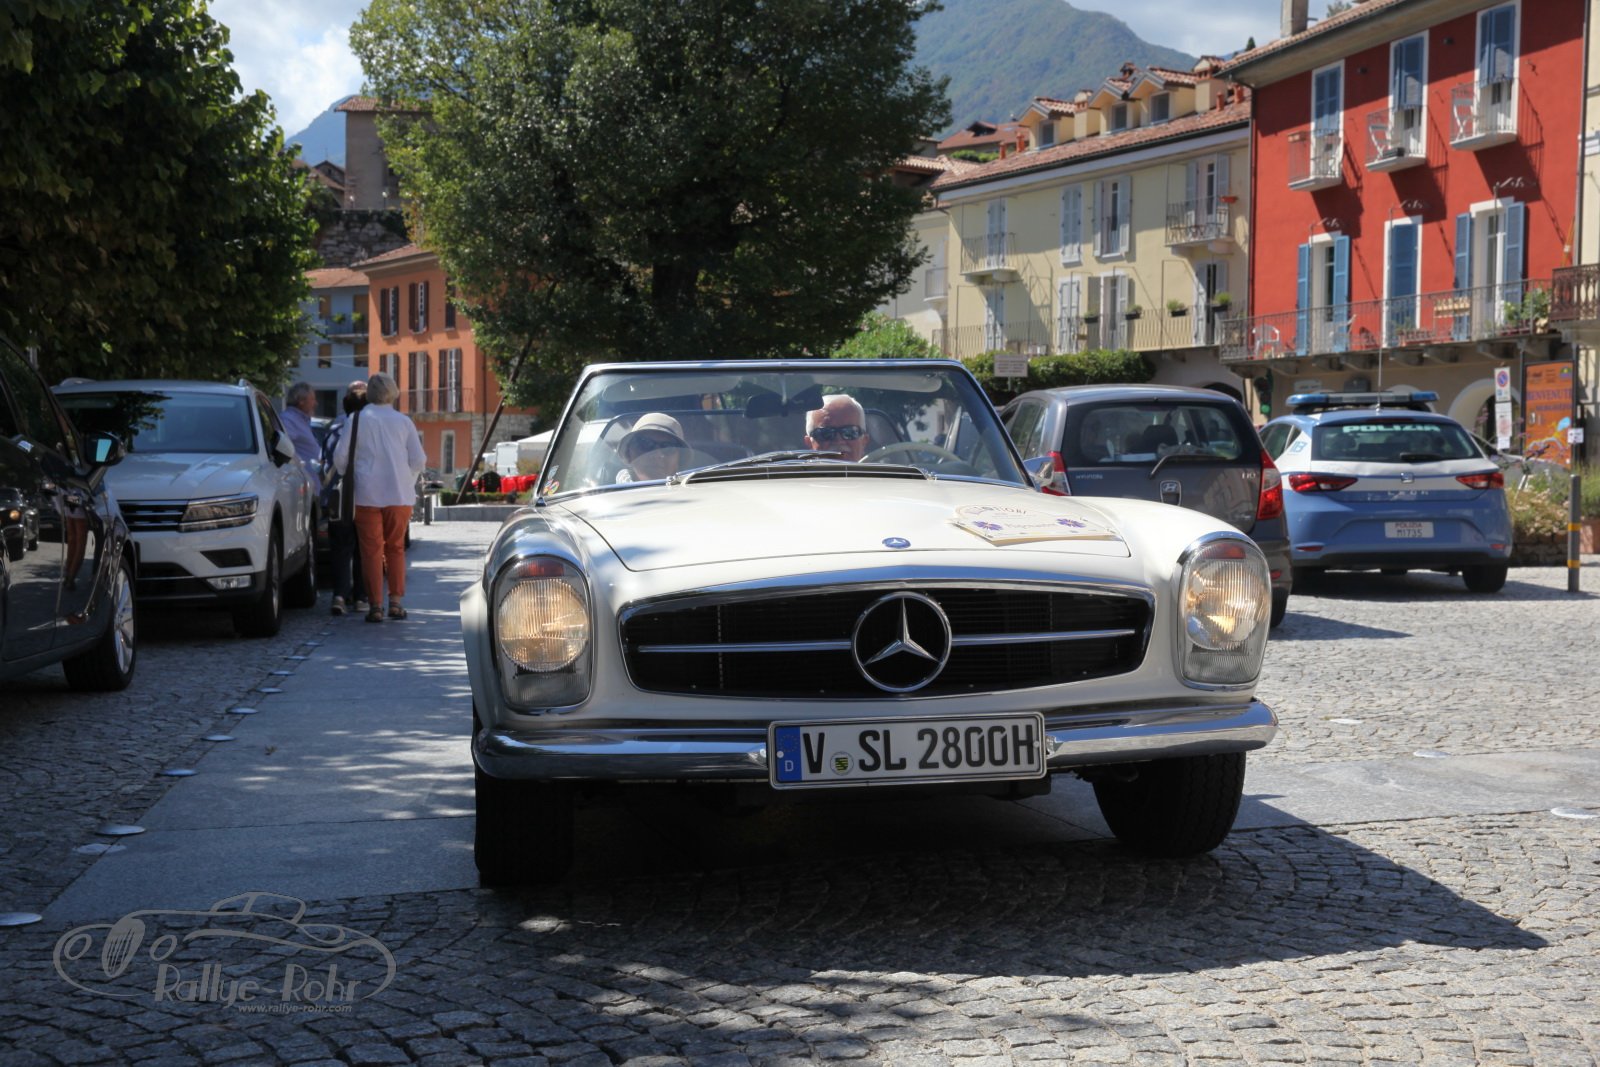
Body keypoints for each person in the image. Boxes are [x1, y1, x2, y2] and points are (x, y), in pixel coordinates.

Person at [333, 372, 425, 623]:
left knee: (371, 551)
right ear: (393, 392)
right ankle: (395, 602)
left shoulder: (356, 419)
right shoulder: (404, 422)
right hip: (399, 494)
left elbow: (340, 459)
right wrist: (407, 478)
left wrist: (350, 473)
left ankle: (375, 605)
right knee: (395, 548)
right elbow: (419, 460)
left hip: (366, 494)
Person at [320, 384, 367, 617]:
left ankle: (339, 595)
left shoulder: (333, 430)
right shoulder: (368, 431)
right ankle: (361, 598)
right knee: (363, 548)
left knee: (340, 547)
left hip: (337, 497)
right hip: (364, 496)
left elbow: (326, 464)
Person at [615, 412, 688, 482]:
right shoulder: (611, 490)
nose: (657, 455)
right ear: (629, 454)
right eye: (645, 444)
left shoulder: (692, 490)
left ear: (679, 460)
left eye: (668, 447)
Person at [280, 381, 323, 498]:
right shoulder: (288, 419)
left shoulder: (301, 419)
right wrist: (300, 465)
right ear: (301, 401)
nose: (315, 403)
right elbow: (284, 447)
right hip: (301, 489)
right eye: (312, 399)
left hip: (310, 487)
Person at [803, 393, 871, 461]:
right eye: (826, 433)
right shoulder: (797, 468)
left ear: (864, 442)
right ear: (809, 443)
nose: (839, 441)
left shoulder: (877, 468)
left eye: (850, 432)